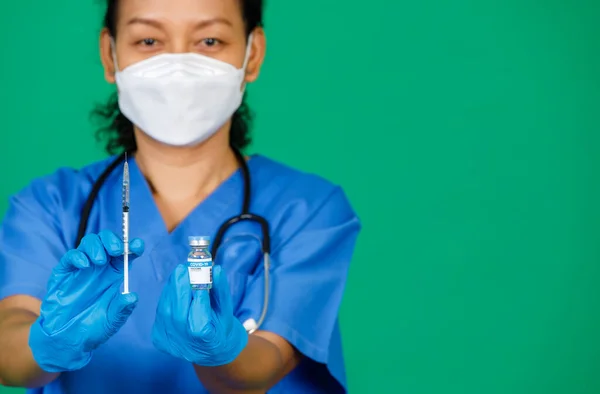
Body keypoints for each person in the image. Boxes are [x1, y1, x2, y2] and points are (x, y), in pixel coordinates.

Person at [0, 0, 361, 393]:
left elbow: (264, 365)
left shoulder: (306, 208)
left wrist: (220, 353)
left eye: (209, 40)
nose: (178, 66)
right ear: (110, 54)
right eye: (149, 39)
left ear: (252, 54)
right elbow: (9, 348)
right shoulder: (51, 205)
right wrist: (45, 344)